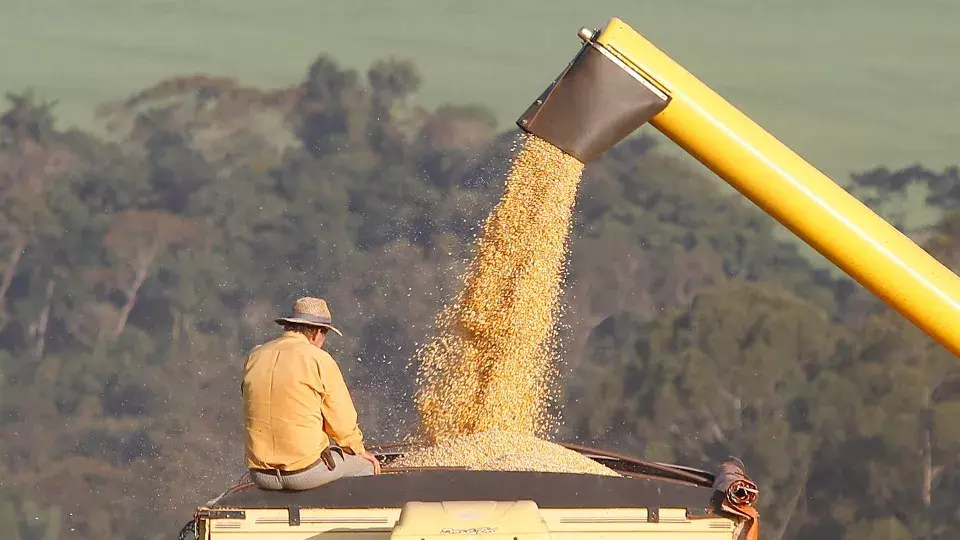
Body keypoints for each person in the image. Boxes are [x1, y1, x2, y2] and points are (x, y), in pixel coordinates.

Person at [242, 296, 381, 491]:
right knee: (365, 466)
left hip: (261, 475)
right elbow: (342, 423)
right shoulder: (318, 359)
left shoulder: (255, 355)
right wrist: (358, 449)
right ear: (317, 333)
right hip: (304, 473)